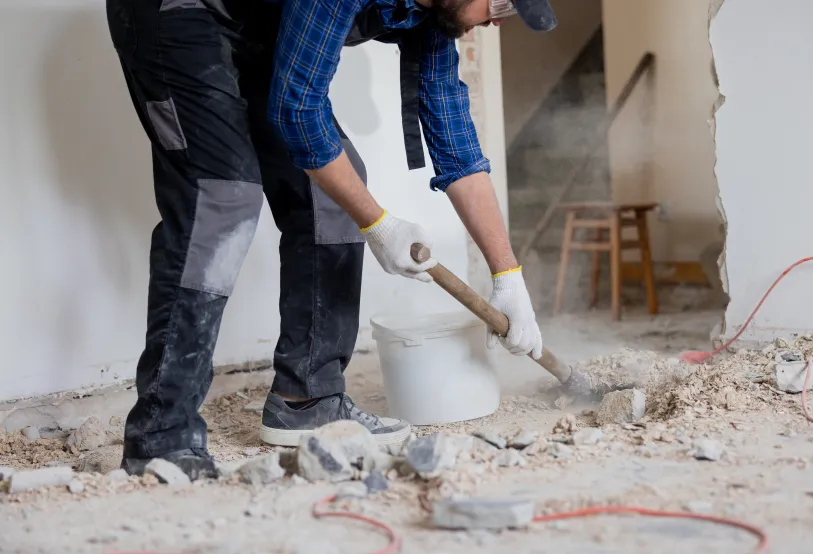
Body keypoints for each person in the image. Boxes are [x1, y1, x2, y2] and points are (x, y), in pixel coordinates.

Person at [106, 0, 556, 480]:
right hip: (177, 12)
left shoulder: (433, 16)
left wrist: (508, 276)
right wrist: (379, 224)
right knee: (222, 196)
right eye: (502, 3)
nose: (495, 21)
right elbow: (297, 110)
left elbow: (458, 147)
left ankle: (308, 398)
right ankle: (161, 433)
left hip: (257, 24)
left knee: (333, 198)